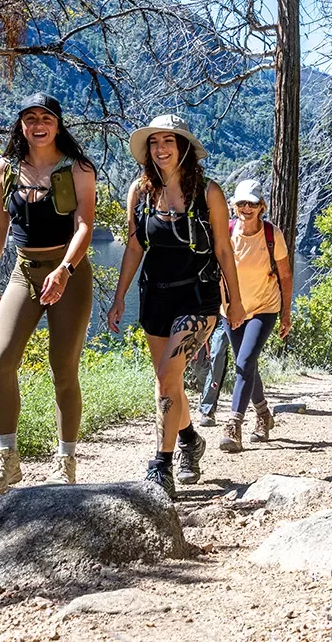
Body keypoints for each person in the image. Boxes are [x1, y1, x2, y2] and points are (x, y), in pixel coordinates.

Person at [108, 115, 240, 500]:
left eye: (169, 140)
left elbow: (223, 250)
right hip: (156, 297)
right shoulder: (141, 192)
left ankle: (160, 465)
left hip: (198, 297)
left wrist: (235, 301)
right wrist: (119, 298)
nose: (161, 148)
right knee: (169, 382)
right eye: (154, 142)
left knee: (167, 377)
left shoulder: (208, 193)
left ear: (184, 147)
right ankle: (188, 439)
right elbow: (135, 247)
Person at [0, 93, 99, 497]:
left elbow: (84, 226)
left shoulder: (78, 169)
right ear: (21, 126)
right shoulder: (6, 169)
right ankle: (7, 459)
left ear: (58, 123)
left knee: (63, 368)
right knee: (1, 359)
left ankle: (66, 463)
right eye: (30, 118)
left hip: (69, 275)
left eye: (45, 117)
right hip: (22, 272)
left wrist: (65, 270)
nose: (38, 124)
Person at [220, 179, 293, 452]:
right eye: (241, 203)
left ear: (262, 207)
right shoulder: (226, 233)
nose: (246, 208)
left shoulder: (272, 235)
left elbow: (285, 275)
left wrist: (286, 314)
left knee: (245, 360)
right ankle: (263, 414)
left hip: (265, 306)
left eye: (252, 203)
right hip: (231, 309)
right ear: (233, 206)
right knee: (245, 364)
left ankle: (233, 424)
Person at [195, 320, 232, 426]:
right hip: (200, 314)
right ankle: (205, 392)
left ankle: (208, 408)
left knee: (217, 354)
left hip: (223, 315)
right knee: (197, 362)